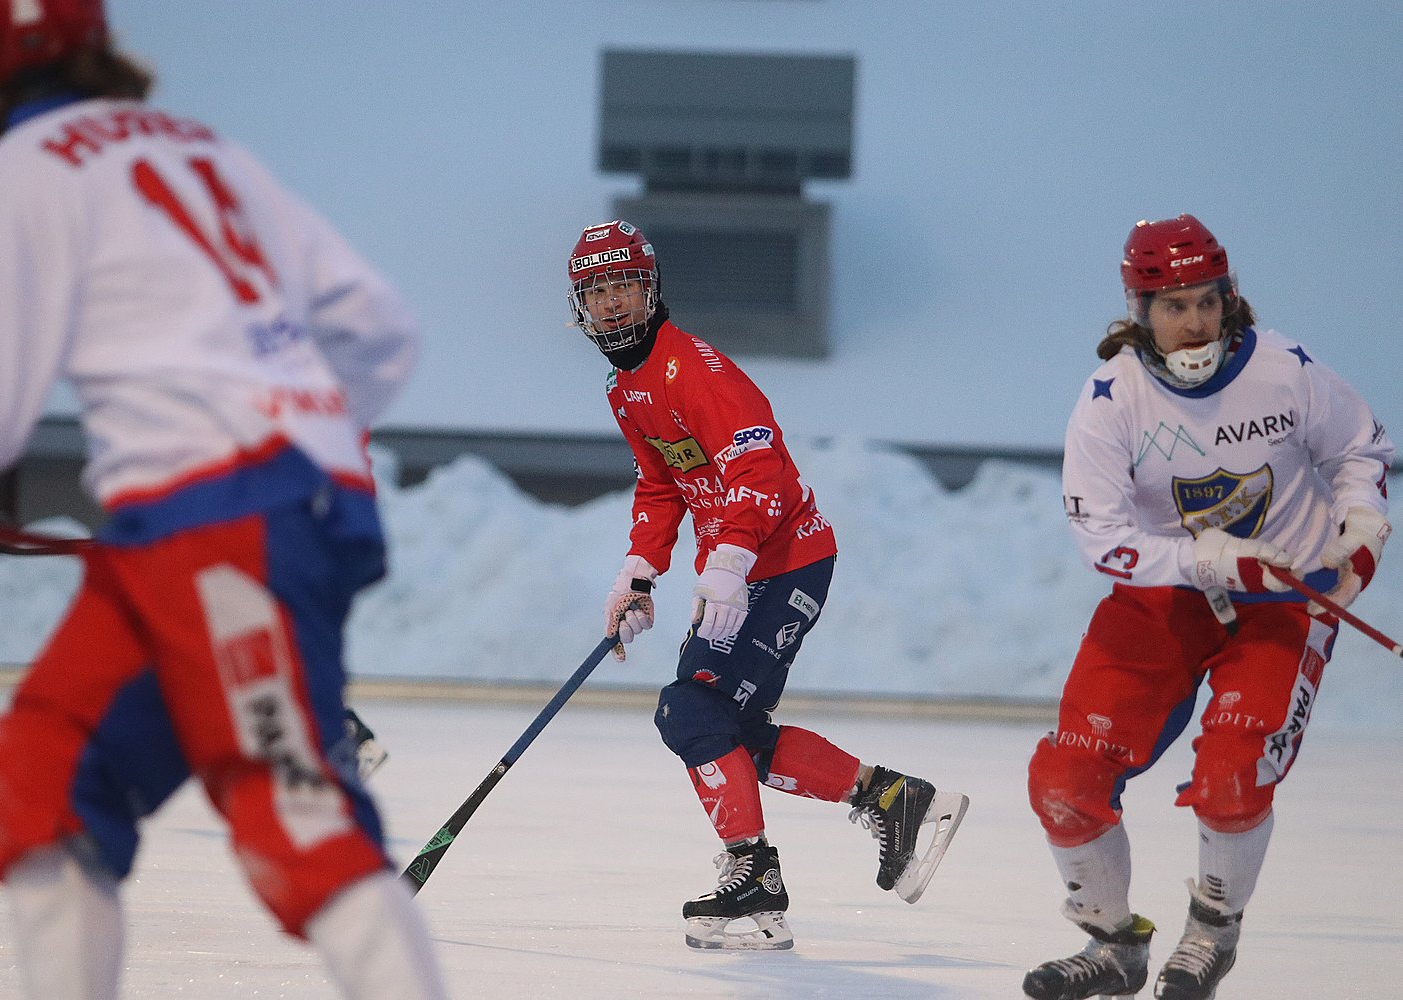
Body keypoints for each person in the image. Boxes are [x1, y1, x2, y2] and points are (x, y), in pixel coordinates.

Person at [0, 3, 447, 997]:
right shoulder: (208, 148)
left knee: (297, 809)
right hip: (229, 518)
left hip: (217, 524)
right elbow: (382, 328)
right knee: (43, 777)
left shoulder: (18, 174)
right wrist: (297, 436)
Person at [567, 219, 969, 951]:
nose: (614, 304)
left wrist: (728, 562)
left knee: (690, 714)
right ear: (580, 307)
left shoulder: (695, 371)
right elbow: (663, 486)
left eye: (623, 284)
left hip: (784, 562)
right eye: (597, 293)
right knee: (725, 731)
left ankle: (755, 880)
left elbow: (763, 474)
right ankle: (895, 800)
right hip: (742, 567)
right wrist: (641, 571)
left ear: (650, 287)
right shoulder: (625, 389)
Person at [1023, 214, 1392, 1000]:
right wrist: (1200, 556)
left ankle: (1213, 932)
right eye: (1171, 304)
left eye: (1205, 301)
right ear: (1139, 309)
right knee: (1064, 780)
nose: (1191, 321)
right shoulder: (1109, 398)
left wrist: (1361, 525)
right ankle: (1114, 945)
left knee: (1231, 775)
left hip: (1281, 603)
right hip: (1161, 597)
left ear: (1230, 300)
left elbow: (1358, 448)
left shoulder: (1289, 370)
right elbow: (1102, 540)